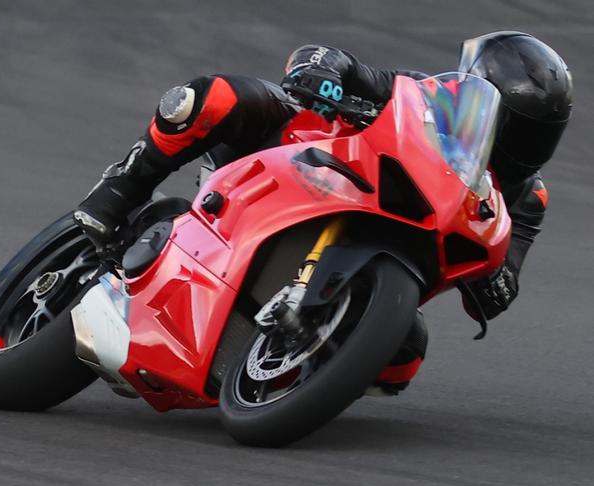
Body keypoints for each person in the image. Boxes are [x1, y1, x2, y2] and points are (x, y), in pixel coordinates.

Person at [73, 31, 573, 393]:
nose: (521, 142)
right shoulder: (422, 96)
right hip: (303, 164)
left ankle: (284, 370)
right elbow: (333, 58)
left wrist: (497, 284)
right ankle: (116, 191)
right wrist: (323, 72)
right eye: (513, 124)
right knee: (209, 99)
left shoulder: (526, 198)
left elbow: (508, 270)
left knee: (404, 357)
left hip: (381, 250)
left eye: (537, 132)